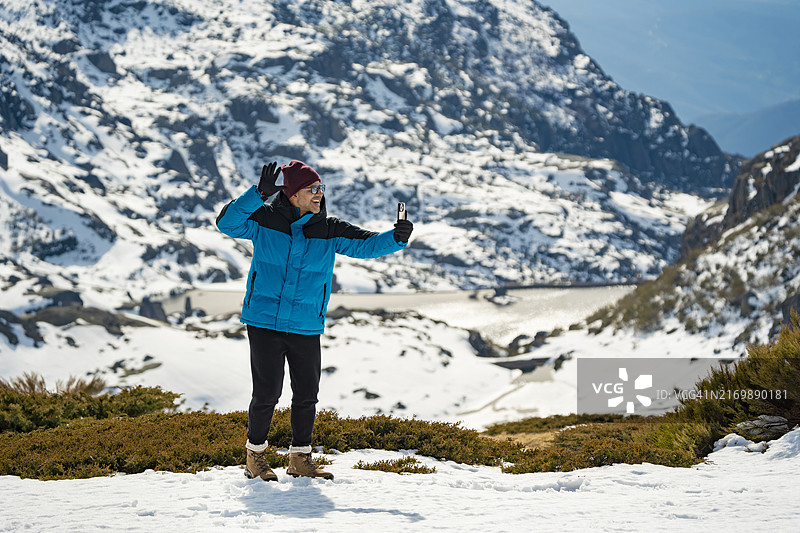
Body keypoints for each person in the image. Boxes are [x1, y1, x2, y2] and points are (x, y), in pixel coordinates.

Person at [215, 160, 413, 481]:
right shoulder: (263, 219)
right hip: (264, 321)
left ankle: (300, 460)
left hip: (306, 323)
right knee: (267, 393)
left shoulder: (329, 228)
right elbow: (227, 223)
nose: (320, 194)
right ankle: (256, 457)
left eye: (321, 188)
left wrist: (396, 237)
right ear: (293, 194)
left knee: (306, 394)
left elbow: (366, 245)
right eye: (313, 189)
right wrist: (257, 195)